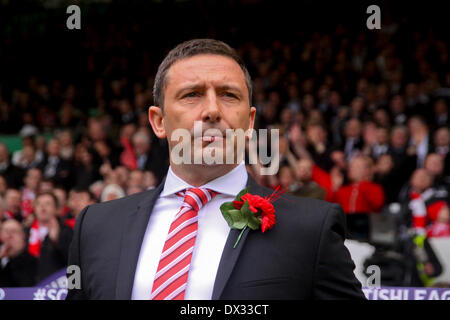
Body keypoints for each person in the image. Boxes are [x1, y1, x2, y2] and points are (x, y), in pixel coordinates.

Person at [67, 39, 364, 300]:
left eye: (228, 95)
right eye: (192, 94)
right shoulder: (96, 227)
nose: (212, 110)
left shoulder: (311, 229)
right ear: (158, 121)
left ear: (249, 123)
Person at [27, 192, 73, 282]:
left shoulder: (66, 231)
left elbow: (71, 260)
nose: (42, 207)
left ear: (57, 209)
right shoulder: (26, 231)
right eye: (38, 204)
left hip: (56, 284)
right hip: (30, 287)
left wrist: (56, 241)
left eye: (48, 203)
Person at [0, 219, 38, 287]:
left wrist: (16, 256)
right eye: (6, 232)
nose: (9, 236)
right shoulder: (2, 258)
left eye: (13, 232)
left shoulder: (32, 261)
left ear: (22, 236)